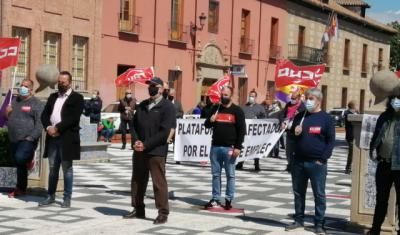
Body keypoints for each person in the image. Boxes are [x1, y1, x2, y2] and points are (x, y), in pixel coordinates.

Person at [123, 77, 176, 224]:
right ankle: (138, 208)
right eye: (149, 86)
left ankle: (163, 212)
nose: (150, 88)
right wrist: (136, 141)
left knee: (158, 183)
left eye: (153, 86)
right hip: (140, 150)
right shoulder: (142, 105)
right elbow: (133, 126)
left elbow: (165, 132)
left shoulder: (167, 107)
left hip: (156, 150)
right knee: (137, 181)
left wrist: (146, 144)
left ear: (160, 88)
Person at [285, 88, 335, 235]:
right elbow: (292, 138)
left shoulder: (326, 118)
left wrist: (323, 159)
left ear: (319, 101)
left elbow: (330, 141)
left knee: (319, 194)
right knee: (298, 192)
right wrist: (295, 132)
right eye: (307, 98)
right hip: (299, 161)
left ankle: (319, 223)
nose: (308, 101)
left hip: (317, 163)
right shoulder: (300, 116)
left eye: (311, 98)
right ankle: (298, 219)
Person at [39, 71, 84, 208]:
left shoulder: (77, 98)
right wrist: (48, 127)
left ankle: (67, 198)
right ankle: (51, 196)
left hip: (67, 138)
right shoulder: (53, 97)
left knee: (67, 169)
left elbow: (73, 118)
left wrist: (57, 128)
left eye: (63, 82)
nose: (60, 84)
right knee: (53, 168)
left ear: (69, 82)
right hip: (52, 137)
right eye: (59, 82)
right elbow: (45, 115)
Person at [204, 86, 246, 210]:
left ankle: (228, 199)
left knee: (230, 175)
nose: (223, 97)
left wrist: (238, 147)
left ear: (231, 95)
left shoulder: (237, 111)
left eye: (226, 95)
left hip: (230, 148)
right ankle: (215, 198)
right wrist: (210, 120)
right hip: (215, 147)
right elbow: (206, 125)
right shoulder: (216, 108)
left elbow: (242, 130)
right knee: (215, 174)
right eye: (222, 94)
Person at [367, 95, 400, 235]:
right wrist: (373, 150)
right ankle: (375, 229)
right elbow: (376, 135)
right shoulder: (384, 116)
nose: (396, 102)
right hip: (384, 163)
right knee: (381, 199)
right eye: (394, 99)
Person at [6, 79, 44, 198]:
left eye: (26, 86)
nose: (22, 87)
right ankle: (21, 188)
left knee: (20, 158)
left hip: (27, 139)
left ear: (31, 89)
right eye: (21, 85)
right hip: (13, 138)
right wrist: (7, 113)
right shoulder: (14, 101)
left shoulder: (36, 103)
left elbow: (40, 123)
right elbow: (8, 118)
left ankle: (21, 186)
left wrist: (31, 137)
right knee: (16, 161)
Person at [237, 90, 266, 171]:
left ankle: (256, 164)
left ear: (255, 97)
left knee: (255, 147)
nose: (251, 97)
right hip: (245, 131)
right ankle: (240, 163)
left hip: (255, 132)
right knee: (243, 147)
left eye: (253, 96)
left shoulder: (260, 108)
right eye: (250, 96)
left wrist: (258, 119)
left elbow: (264, 118)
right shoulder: (243, 107)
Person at [279, 91, 306, 172]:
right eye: (291, 98)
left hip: (298, 131)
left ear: (298, 98)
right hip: (289, 130)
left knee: (297, 149)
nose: (292, 100)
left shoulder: (303, 107)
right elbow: (282, 114)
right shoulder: (288, 104)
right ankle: (289, 164)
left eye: (294, 98)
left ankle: (296, 165)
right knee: (288, 150)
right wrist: (282, 121)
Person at [344, 100, 358, 174]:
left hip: (356, 136)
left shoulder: (356, 113)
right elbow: (349, 119)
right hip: (350, 136)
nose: (357, 107)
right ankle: (348, 168)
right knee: (351, 153)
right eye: (356, 105)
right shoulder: (347, 113)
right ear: (353, 106)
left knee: (355, 153)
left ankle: (353, 167)